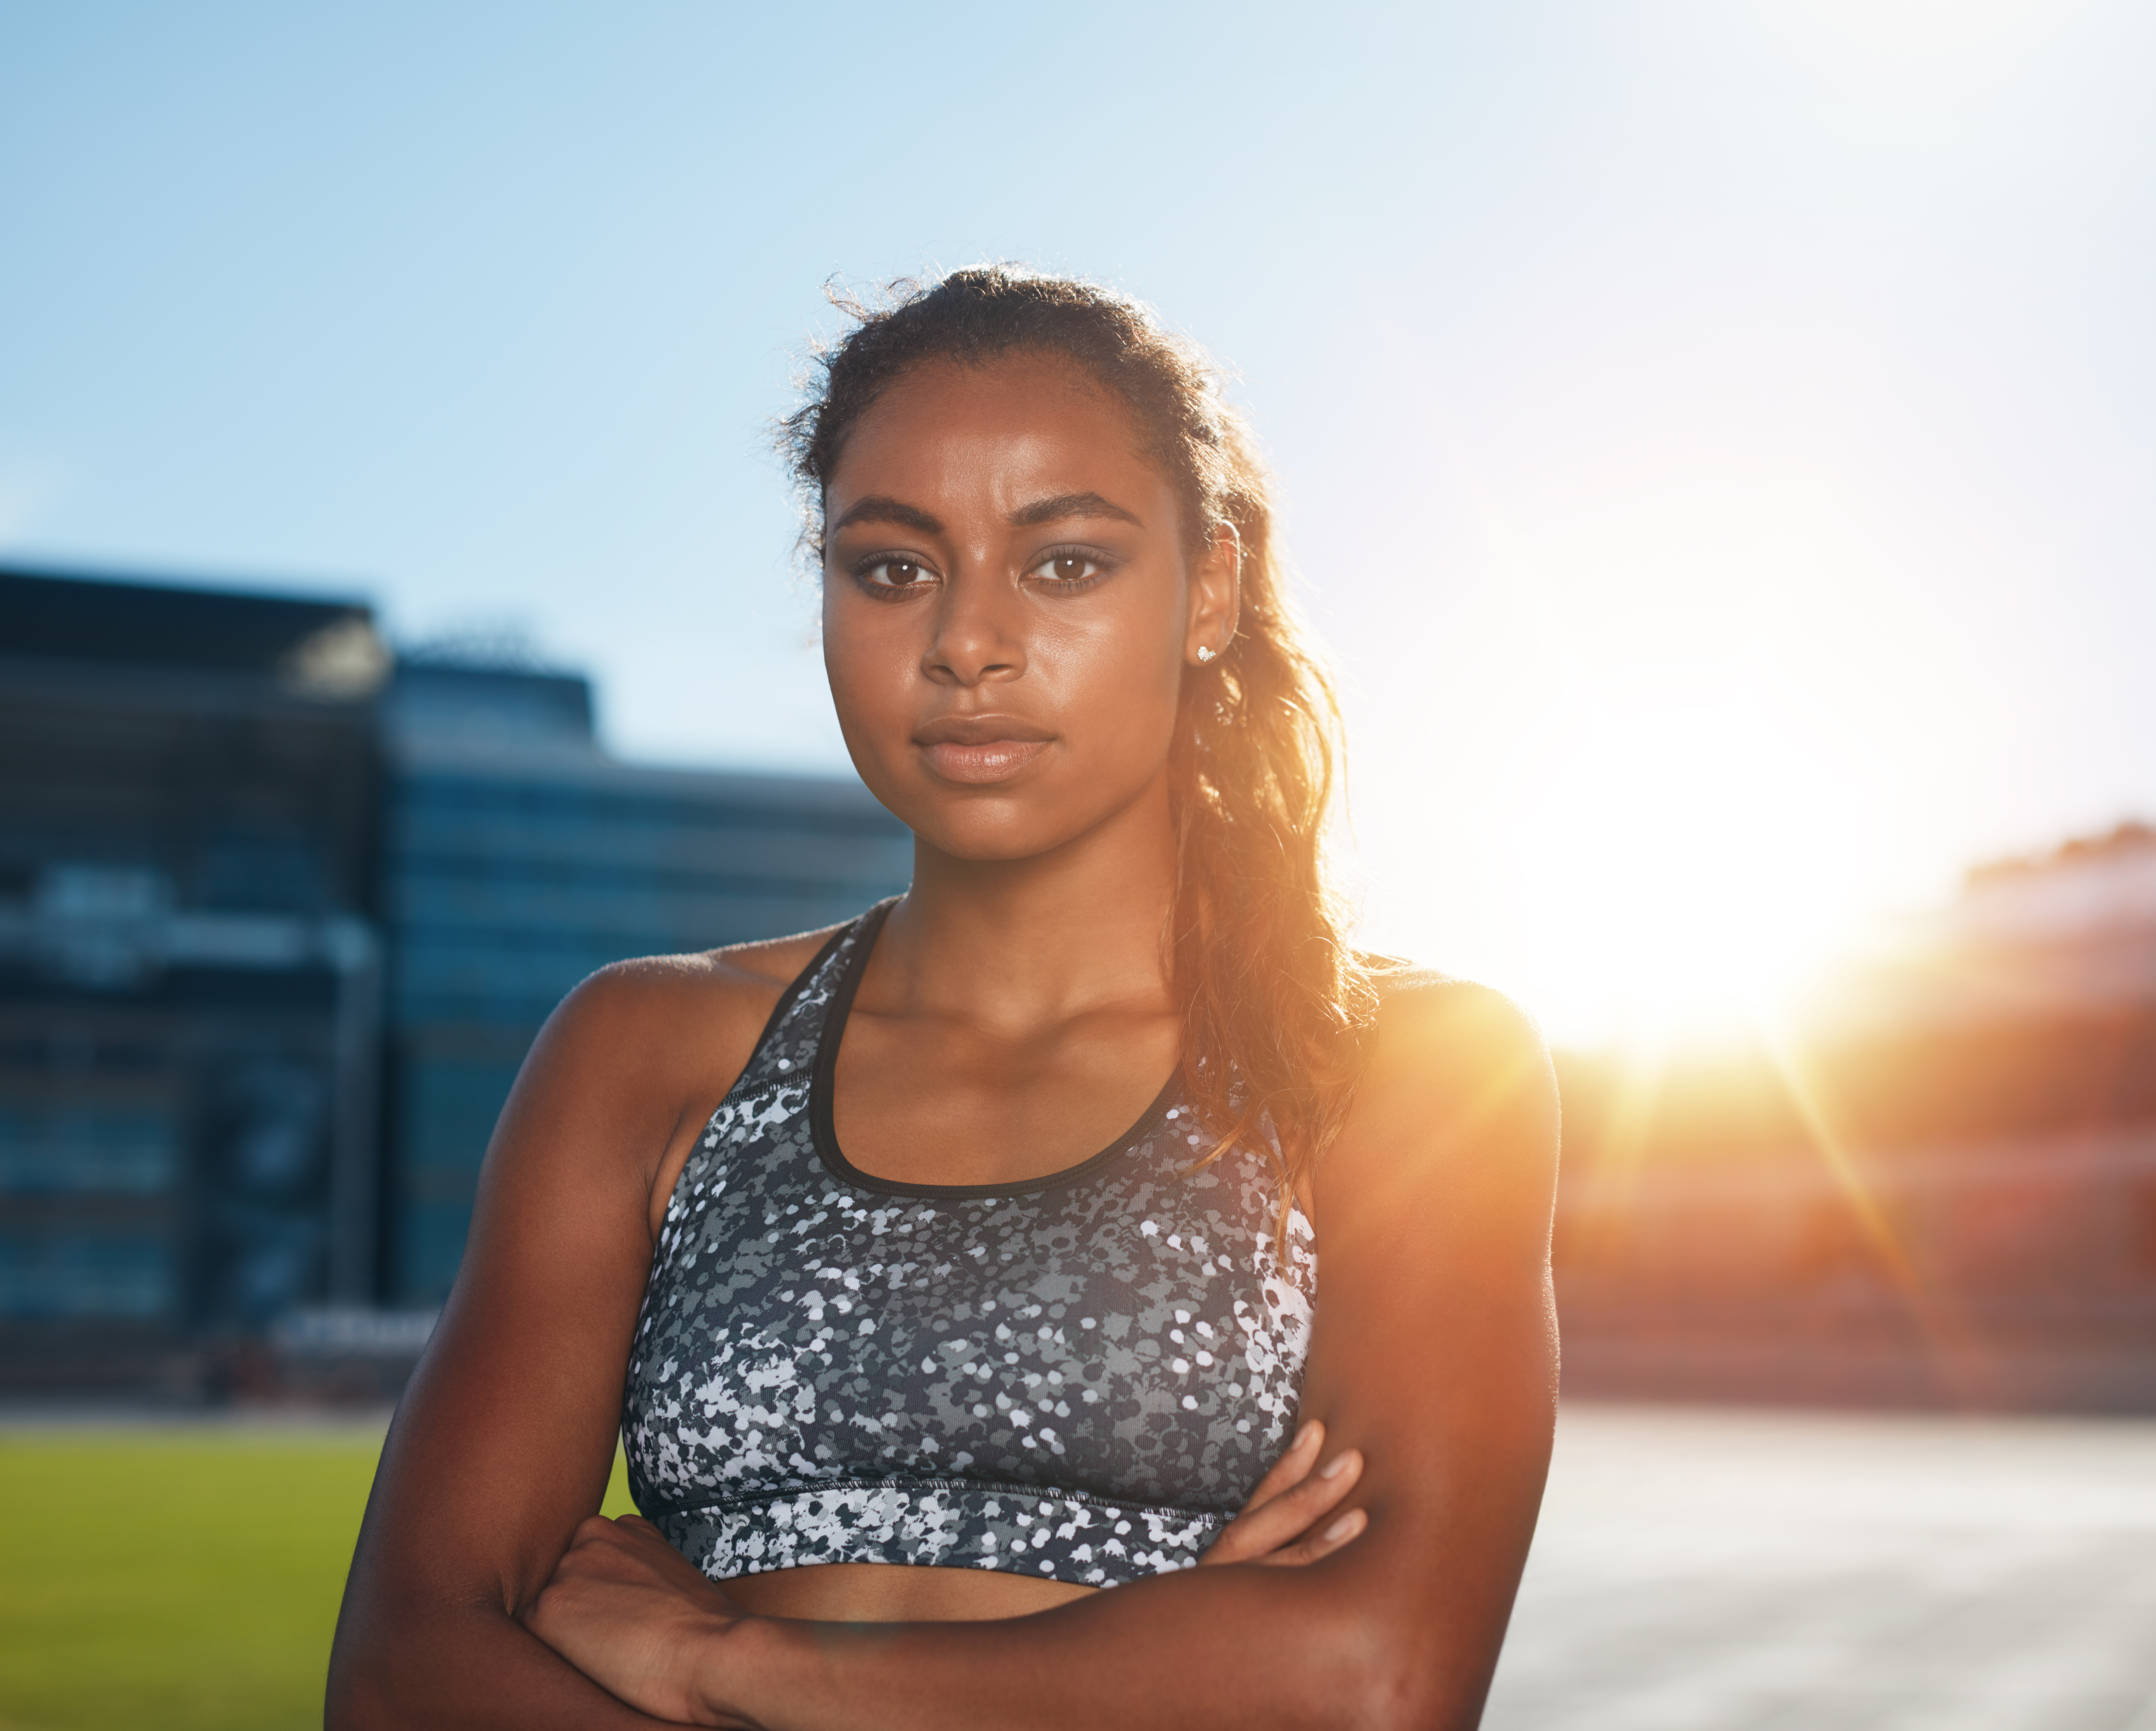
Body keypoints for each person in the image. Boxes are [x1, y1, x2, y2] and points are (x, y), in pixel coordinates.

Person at [326, 267, 1559, 1731]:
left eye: (1065, 564)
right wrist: (1162, 1659)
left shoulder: (1406, 1062)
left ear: (1209, 589)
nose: (968, 643)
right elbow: (405, 1673)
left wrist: (734, 1660)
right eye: (894, 568)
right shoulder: (646, 1049)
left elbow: (1379, 1679)